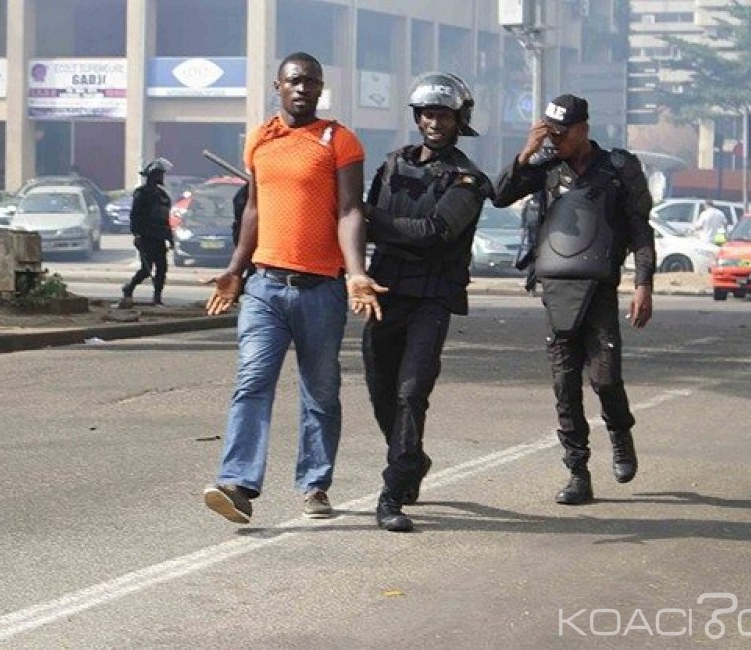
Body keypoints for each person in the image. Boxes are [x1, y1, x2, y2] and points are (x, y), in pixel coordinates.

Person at [202, 52, 385, 524]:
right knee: (252, 381)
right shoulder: (261, 139)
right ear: (277, 87)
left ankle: (315, 484)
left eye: (311, 82)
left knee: (320, 391)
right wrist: (235, 270)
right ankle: (238, 484)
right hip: (265, 285)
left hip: (320, 289)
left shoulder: (338, 140)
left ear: (321, 89)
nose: (302, 89)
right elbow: (254, 211)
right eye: (294, 81)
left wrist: (355, 271)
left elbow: (350, 211)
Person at [492, 94, 655, 505]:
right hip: (556, 289)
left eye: (563, 133)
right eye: (550, 132)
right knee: (565, 386)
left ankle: (620, 434)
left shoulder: (619, 169)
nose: (557, 140)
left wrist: (643, 283)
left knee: (605, 379)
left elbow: (639, 227)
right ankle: (577, 472)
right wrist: (526, 153)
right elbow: (498, 195)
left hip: (600, 289)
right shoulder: (545, 168)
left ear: (585, 129)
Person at [361, 72, 493, 532]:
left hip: (432, 298)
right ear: (417, 118)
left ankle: (392, 491)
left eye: (444, 114)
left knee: (410, 392)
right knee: (381, 396)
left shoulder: (469, 180)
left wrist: (370, 218)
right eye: (428, 114)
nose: (435, 122)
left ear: (460, 121)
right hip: (384, 292)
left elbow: (435, 233)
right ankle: (411, 459)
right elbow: (359, 223)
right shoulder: (394, 164)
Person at [121, 157, 174, 307]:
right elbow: (135, 215)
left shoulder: (162, 196)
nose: (161, 177)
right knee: (146, 269)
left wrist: (170, 238)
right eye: (159, 174)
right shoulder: (142, 193)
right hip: (146, 236)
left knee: (162, 268)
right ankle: (129, 288)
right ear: (152, 175)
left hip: (159, 237)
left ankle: (157, 297)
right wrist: (136, 234)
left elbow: (165, 219)